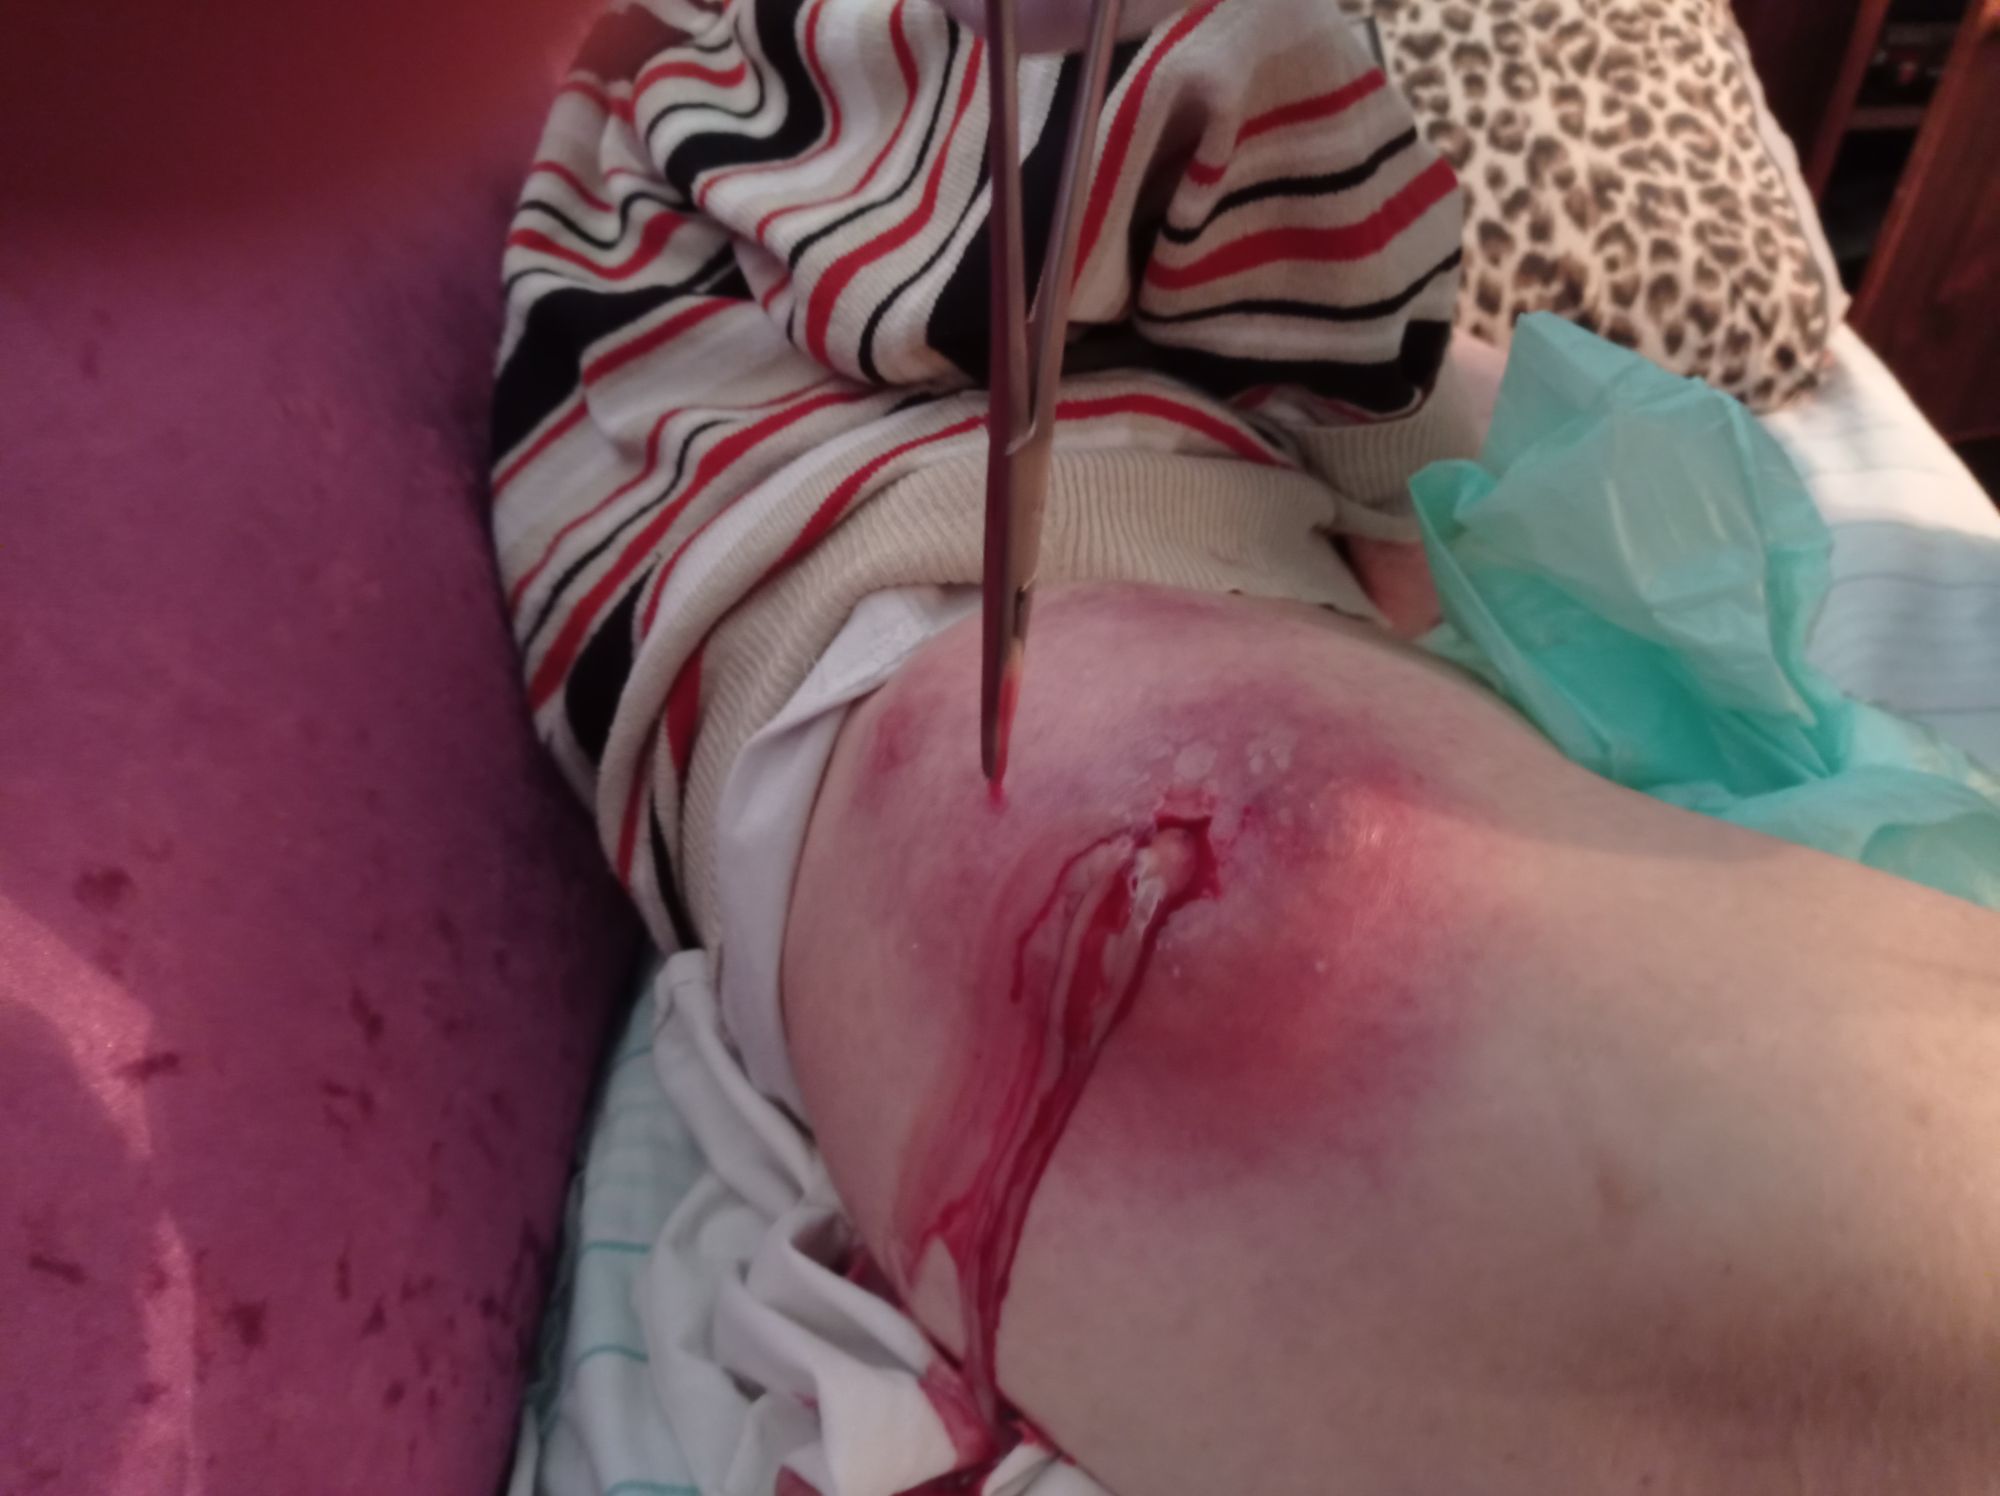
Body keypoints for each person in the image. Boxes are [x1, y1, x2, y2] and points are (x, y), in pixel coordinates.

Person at [491, 0, 2000, 1489]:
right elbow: (1245, 151)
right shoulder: (741, 111)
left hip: (1045, 616)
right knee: (1269, 932)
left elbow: (1400, 371)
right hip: (918, 636)